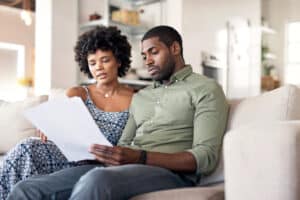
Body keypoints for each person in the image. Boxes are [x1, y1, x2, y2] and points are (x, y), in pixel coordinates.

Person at [7, 25, 229, 200]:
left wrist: (140, 157)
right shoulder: (142, 96)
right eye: (144, 56)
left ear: (175, 49)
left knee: (97, 180)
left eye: (154, 52)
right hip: (120, 167)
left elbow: (206, 157)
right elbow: (124, 143)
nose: (148, 60)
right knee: (28, 189)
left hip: (170, 172)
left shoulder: (205, 89)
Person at [0, 26, 134, 200]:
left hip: (102, 163)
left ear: (119, 61)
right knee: (27, 147)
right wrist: (50, 126)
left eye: (105, 60)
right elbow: (57, 121)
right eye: (92, 63)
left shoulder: (135, 99)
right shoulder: (79, 92)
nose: (98, 67)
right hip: (68, 157)